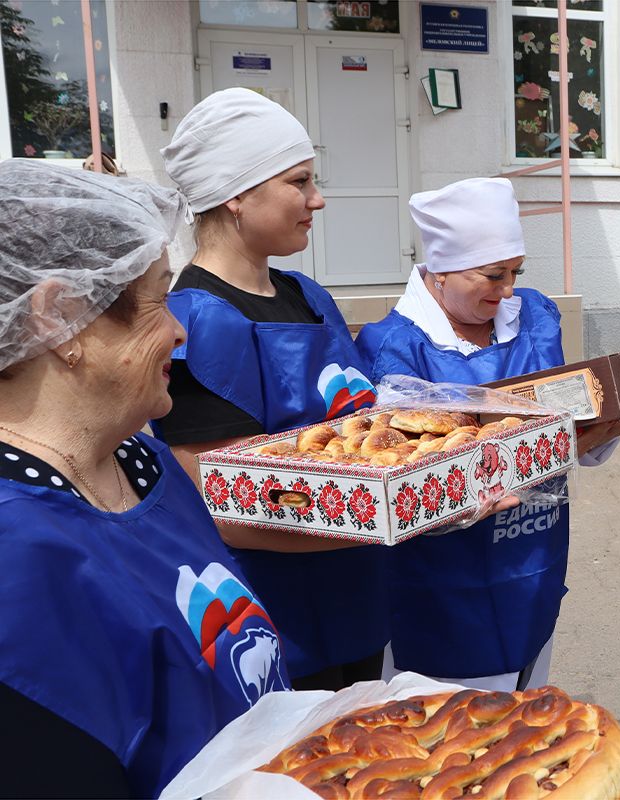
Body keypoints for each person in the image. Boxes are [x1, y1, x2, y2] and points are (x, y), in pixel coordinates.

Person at [0, 160, 289, 797]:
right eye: (159, 299)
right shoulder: (17, 557)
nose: (180, 330)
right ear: (57, 318)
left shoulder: (143, 462)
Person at [355, 177, 620, 692]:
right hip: (443, 589)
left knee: (524, 718)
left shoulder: (534, 318)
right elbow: (399, 487)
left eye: (515, 272)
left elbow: (567, 423)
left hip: (533, 558)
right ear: (440, 271)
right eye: (492, 275)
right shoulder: (395, 350)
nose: (508, 289)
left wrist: (603, 427)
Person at [156, 88, 388, 691]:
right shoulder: (197, 323)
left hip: (356, 595)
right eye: (299, 182)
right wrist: (389, 515)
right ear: (236, 196)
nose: (318, 199)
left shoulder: (308, 298)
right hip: (276, 622)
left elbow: (363, 430)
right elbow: (224, 507)